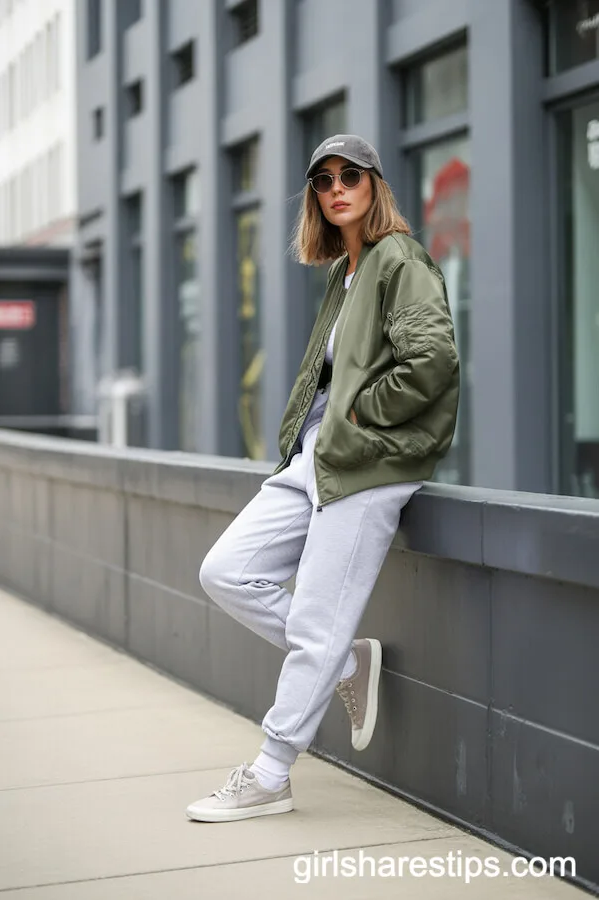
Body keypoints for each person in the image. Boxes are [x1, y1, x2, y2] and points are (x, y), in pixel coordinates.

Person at [186, 134, 460, 823]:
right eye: (323, 180)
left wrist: (364, 412)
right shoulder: (346, 273)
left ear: (374, 184)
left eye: (349, 175)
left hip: (369, 464)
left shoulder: (401, 259)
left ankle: (271, 774)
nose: (336, 187)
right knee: (225, 570)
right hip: (318, 457)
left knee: (313, 620)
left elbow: (432, 362)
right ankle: (342, 664)